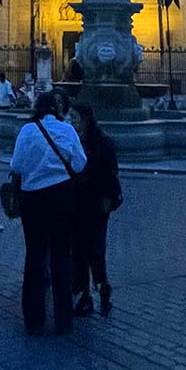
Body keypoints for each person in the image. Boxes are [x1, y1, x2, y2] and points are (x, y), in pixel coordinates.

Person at [9, 90, 87, 336]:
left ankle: (34, 318)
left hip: (33, 199)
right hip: (63, 196)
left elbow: (17, 165)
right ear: (57, 109)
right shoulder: (67, 130)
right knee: (62, 256)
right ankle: (63, 320)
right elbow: (80, 163)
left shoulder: (27, 131)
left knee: (34, 255)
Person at [69, 101, 121, 316]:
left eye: (74, 117)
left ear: (85, 119)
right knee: (79, 249)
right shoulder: (71, 141)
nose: (70, 121)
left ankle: (101, 286)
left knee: (95, 249)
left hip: (97, 204)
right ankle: (84, 296)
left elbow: (111, 174)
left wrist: (108, 197)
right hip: (77, 202)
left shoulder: (103, 143)